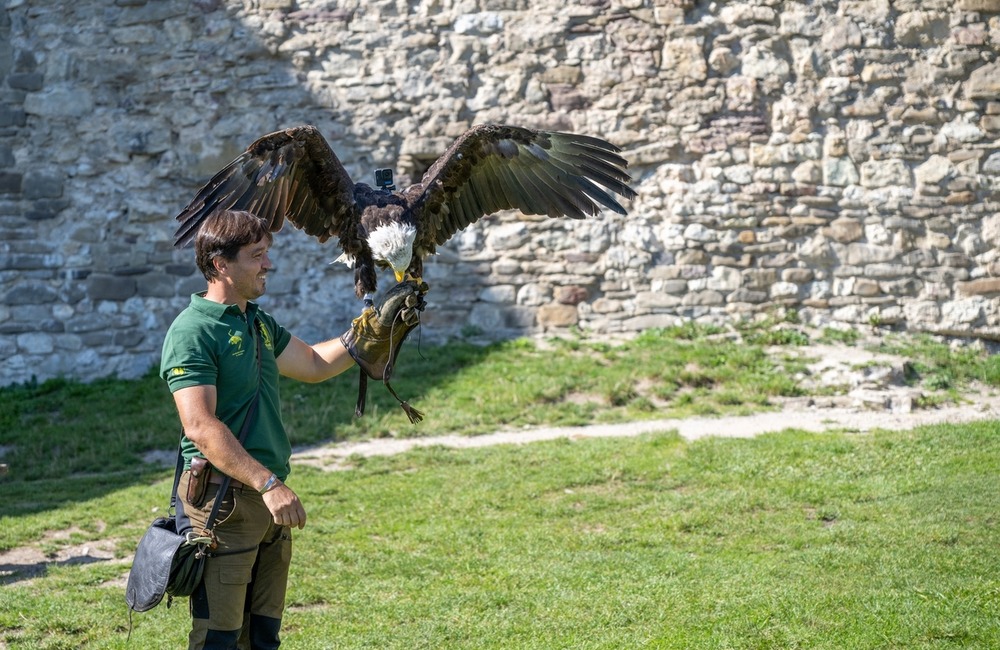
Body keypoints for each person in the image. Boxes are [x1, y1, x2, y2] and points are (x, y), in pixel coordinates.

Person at [160, 209, 421, 649]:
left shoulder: (256, 321)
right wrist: (268, 483)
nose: (268, 264)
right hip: (223, 503)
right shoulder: (193, 332)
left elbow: (314, 364)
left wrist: (369, 331)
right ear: (221, 264)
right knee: (218, 639)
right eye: (256, 255)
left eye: (267, 253)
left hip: (265, 504)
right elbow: (201, 426)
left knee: (263, 637)